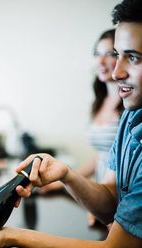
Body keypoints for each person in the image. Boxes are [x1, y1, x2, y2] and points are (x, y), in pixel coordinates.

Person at [0, 0, 142, 248]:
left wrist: (10, 237)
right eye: (117, 55)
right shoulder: (131, 117)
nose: (116, 72)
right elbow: (110, 205)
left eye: (134, 58)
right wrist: (67, 174)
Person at [39, 29, 124, 227]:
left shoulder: (131, 106)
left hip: (122, 198)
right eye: (97, 53)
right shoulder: (100, 102)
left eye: (110, 54)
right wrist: (64, 181)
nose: (101, 61)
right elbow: (101, 157)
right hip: (103, 194)